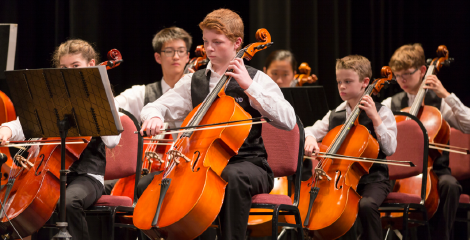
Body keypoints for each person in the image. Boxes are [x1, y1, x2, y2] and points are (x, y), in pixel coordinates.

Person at [139, 8, 296, 240]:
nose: (209, 48)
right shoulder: (193, 80)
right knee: (146, 185)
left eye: (217, 42)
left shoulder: (257, 79)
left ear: (237, 43)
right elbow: (156, 106)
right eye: (205, 42)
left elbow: (288, 119)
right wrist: (153, 117)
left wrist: (248, 86)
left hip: (249, 164)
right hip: (198, 164)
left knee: (230, 176)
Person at [0, 39, 121, 240]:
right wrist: (6, 130)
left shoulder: (103, 97)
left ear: (91, 65)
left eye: (75, 66)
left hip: (87, 176)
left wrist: (100, 98)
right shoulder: (52, 97)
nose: (68, 72)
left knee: (68, 202)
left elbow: (112, 141)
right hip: (47, 173)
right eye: (64, 68)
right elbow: (25, 123)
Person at [382, 43, 470, 240]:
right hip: (398, 171)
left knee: (451, 186)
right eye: (397, 75)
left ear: (423, 70)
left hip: (436, 172)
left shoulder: (440, 104)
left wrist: (446, 95)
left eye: (407, 73)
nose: (401, 79)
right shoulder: (391, 105)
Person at [304, 55, 397, 240]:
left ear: (365, 82)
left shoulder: (381, 112)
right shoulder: (336, 114)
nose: (342, 86)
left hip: (374, 180)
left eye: (347, 81)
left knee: (365, 205)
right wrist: (310, 139)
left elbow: (390, 148)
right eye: (339, 82)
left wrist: (375, 119)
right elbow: (310, 130)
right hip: (341, 181)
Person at [103, 26, 193, 196]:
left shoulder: (196, 93)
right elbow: (109, 109)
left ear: (188, 56)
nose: (176, 56)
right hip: (146, 168)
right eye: (169, 51)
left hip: (185, 167)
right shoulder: (142, 93)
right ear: (158, 57)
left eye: (181, 51)